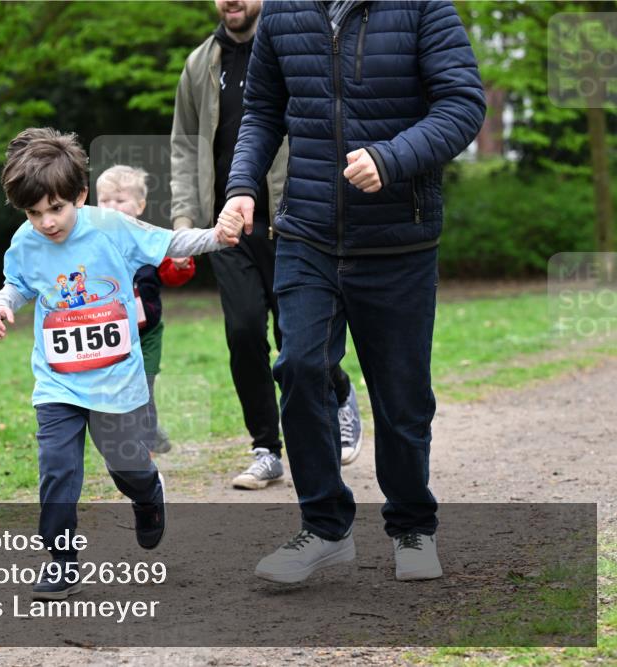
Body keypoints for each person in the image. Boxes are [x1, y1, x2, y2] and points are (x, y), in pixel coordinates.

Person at [222, 0, 486, 582]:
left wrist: (392, 159)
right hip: (307, 233)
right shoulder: (284, 12)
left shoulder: (422, 7)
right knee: (298, 367)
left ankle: (413, 526)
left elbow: (464, 105)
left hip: (399, 239)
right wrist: (243, 185)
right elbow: (262, 109)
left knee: (402, 396)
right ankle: (323, 527)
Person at [0, 128, 244, 600]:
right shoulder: (26, 240)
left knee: (127, 468)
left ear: (80, 195)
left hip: (115, 383)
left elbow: (171, 243)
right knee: (58, 470)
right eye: (34, 212)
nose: (46, 222)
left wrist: (217, 238)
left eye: (56, 209)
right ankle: (61, 562)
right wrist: (1, 305)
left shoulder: (110, 227)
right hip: (58, 383)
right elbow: (17, 283)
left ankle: (148, 495)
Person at [170, 0, 363, 492]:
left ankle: (338, 393)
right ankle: (265, 448)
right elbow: (185, 145)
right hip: (229, 224)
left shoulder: (294, 47)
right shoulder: (200, 64)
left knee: (298, 341)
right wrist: (184, 221)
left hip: (292, 218)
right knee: (243, 331)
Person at [96, 165, 193, 455]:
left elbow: (172, 275)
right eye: (105, 201)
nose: (112, 207)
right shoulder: (92, 242)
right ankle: (146, 432)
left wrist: (180, 264)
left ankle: (145, 444)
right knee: (116, 388)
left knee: (144, 384)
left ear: (140, 206)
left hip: (147, 331)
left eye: (120, 200)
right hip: (110, 331)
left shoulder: (151, 238)